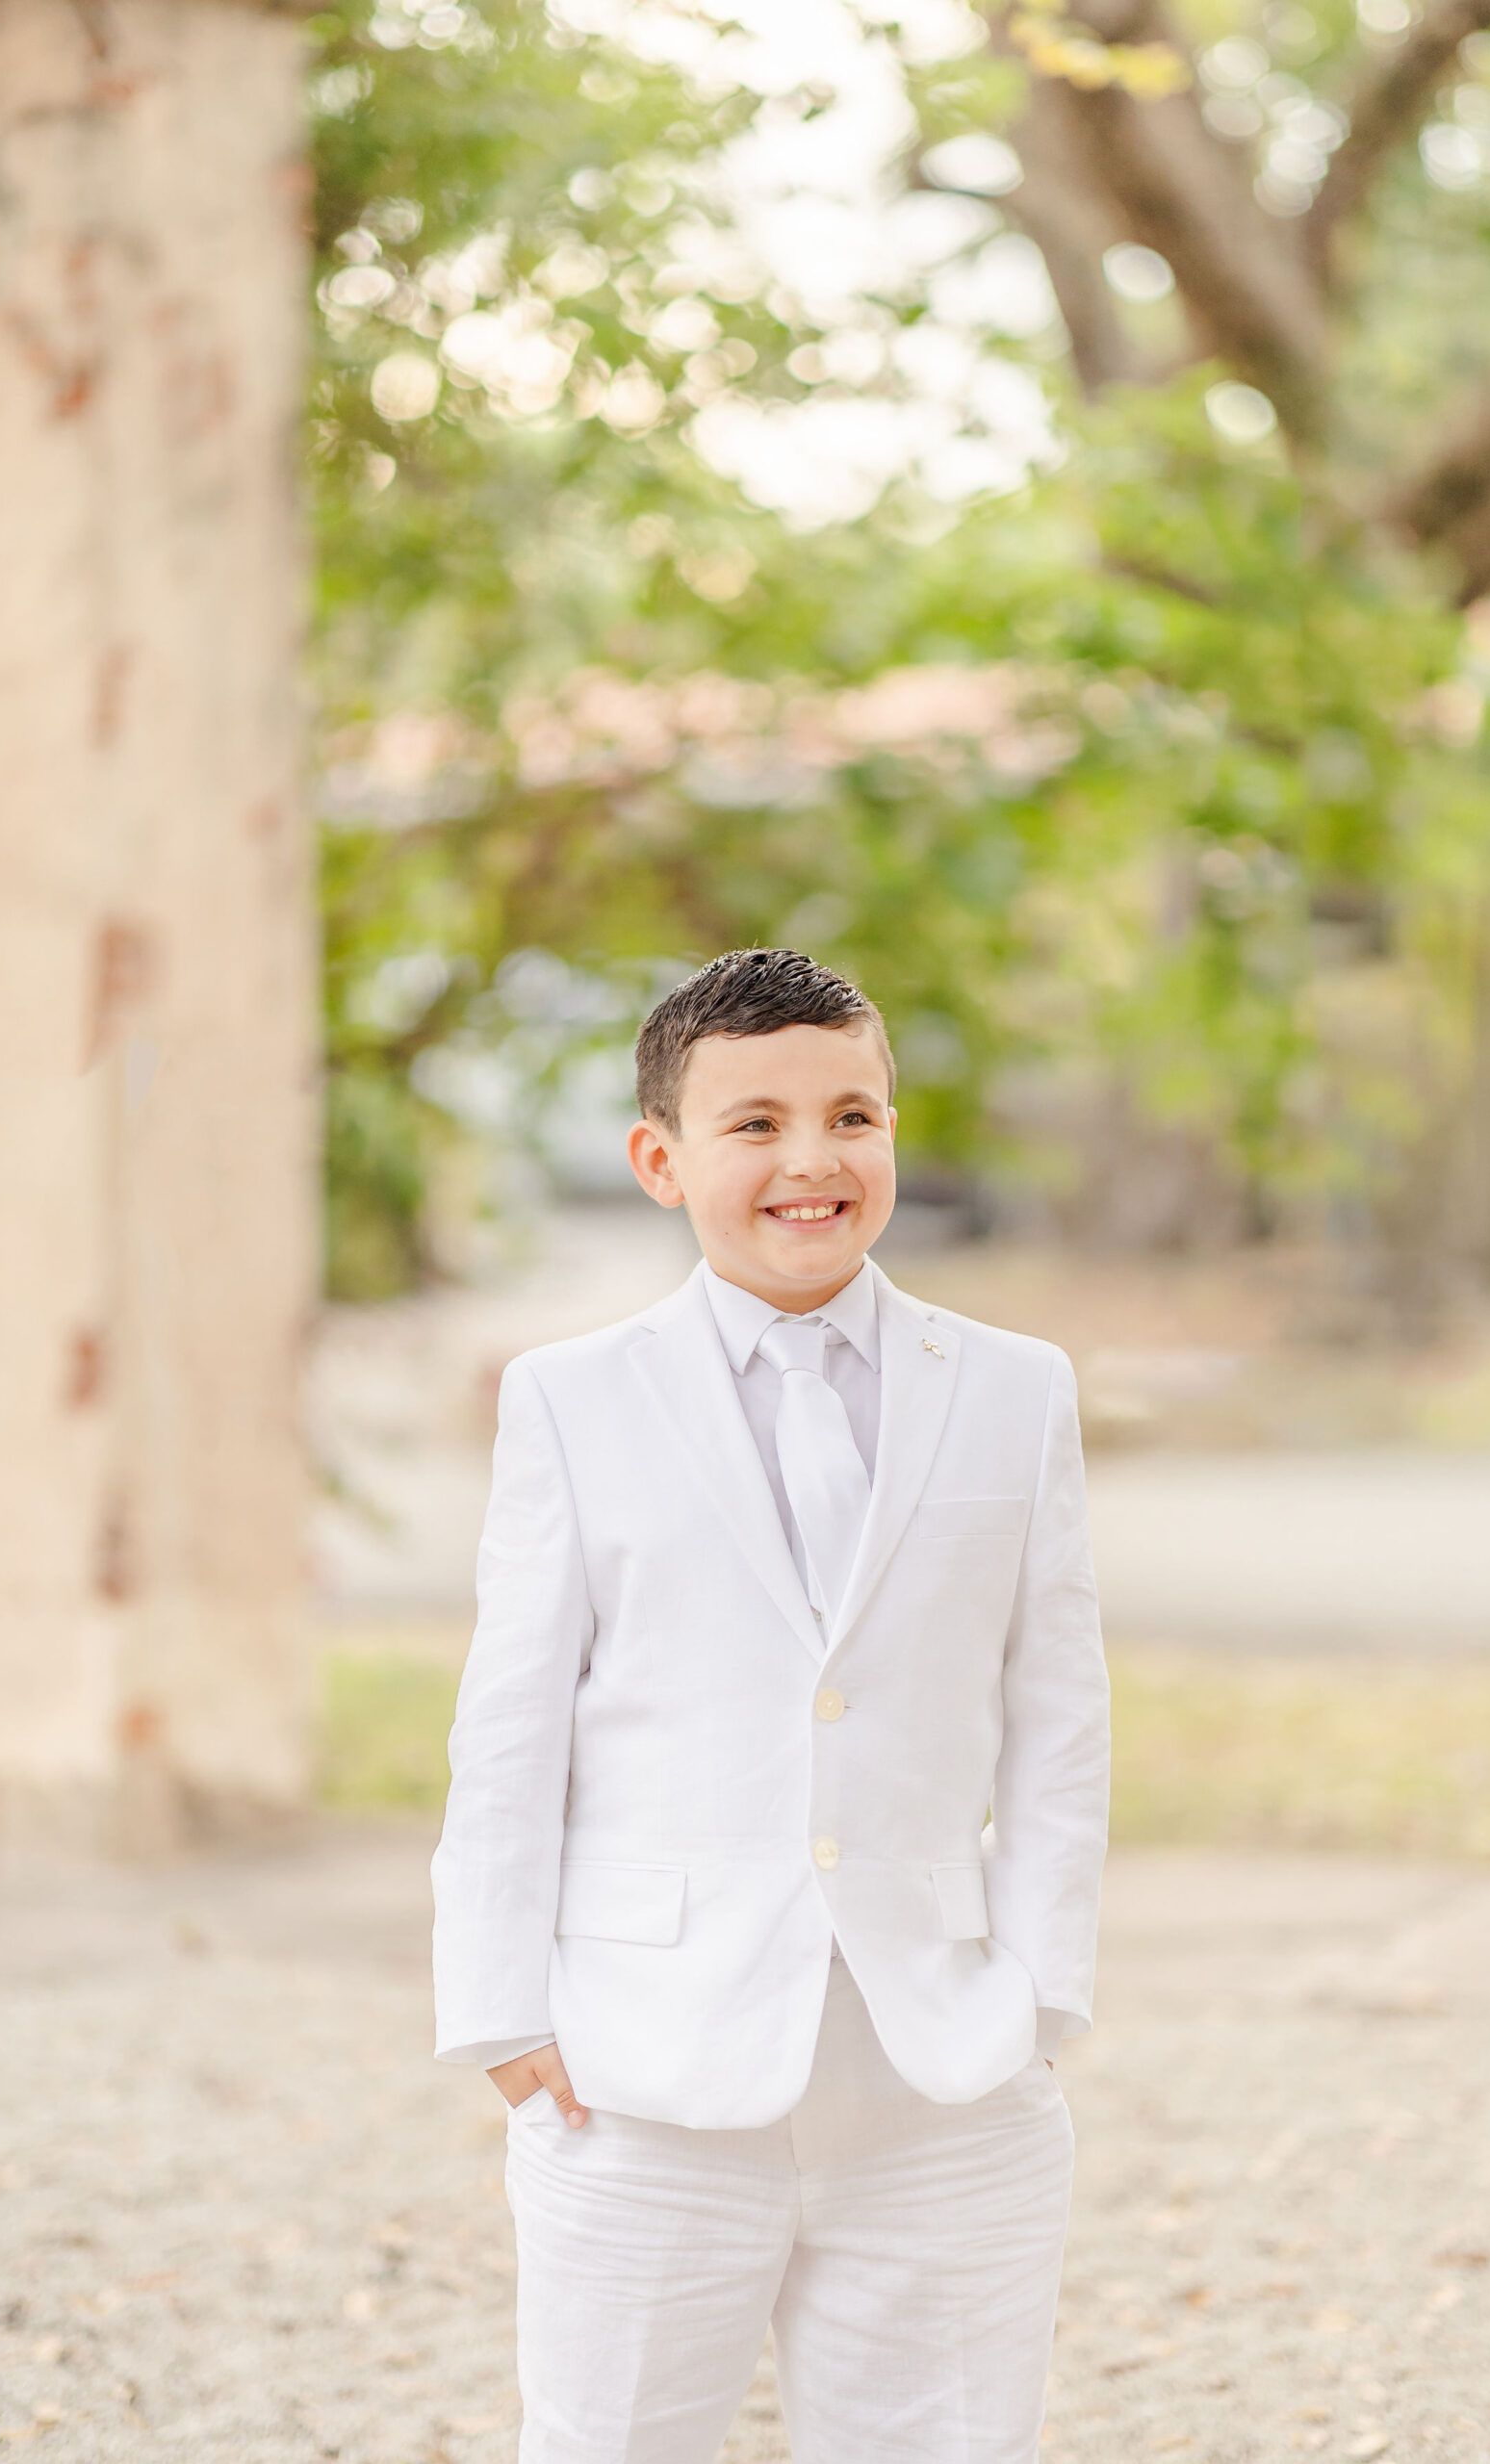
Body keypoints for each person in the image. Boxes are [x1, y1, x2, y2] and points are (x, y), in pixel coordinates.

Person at [431, 947, 1110, 2464]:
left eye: (850, 1116)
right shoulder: (574, 1396)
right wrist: (498, 2005)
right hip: (642, 2061)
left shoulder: (1013, 1388)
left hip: (942, 2063)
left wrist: (1042, 1987)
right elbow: (513, 1719)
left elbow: (1060, 1710)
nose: (812, 1160)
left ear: (891, 1135)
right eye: (754, 1125)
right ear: (660, 1161)